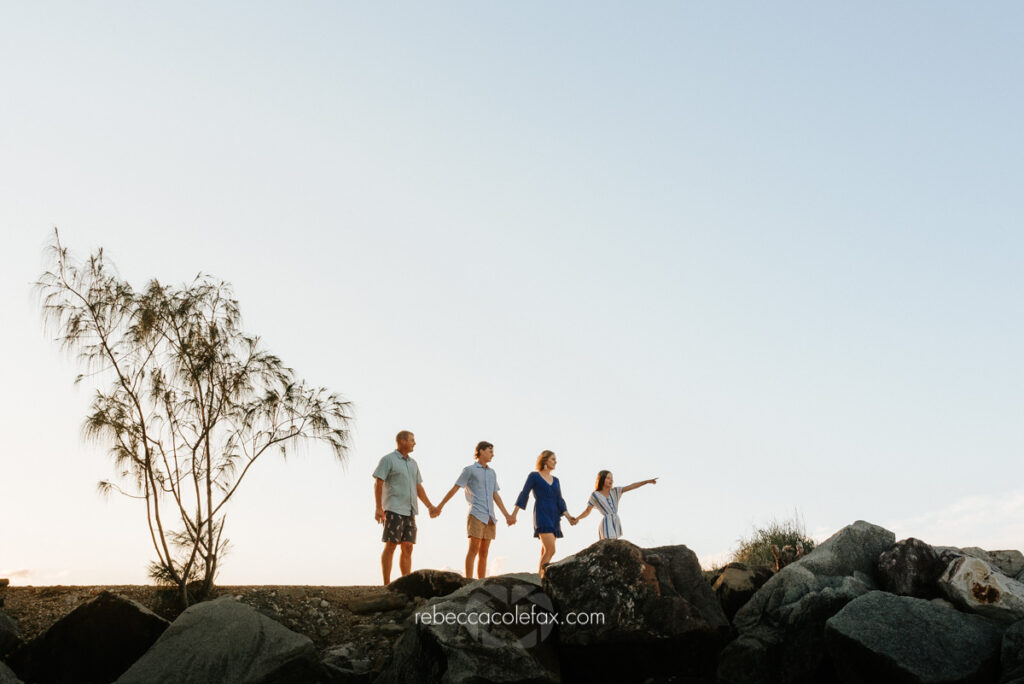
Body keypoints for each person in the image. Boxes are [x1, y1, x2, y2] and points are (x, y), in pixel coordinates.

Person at [435, 441, 515, 578]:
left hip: (490, 516)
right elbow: (454, 489)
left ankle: (481, 582)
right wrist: (439, 506)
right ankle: (469, 581)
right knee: (473, 549)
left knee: (484, 552)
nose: (493, 454)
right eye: (490, 451)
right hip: (476, 514)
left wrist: (507, 514)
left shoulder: (492, 473)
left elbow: (495, 495)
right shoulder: (469, 470)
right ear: (481, 451)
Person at [373, 430, 438, 584]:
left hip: (410, 510)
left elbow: (418, 488)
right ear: (402, 441)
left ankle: (405, 584)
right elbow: (378, 483)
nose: (414, 443)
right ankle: (386, 584)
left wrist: (429, 506)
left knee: (408, 546)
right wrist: (378, 508)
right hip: (394, 508)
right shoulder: (388, 460)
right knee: (391, 544)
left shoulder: (413, 463)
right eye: (411, 440)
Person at [511, 450, 576, 577]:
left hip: (554, 516)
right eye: (553, 459)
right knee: (551, 549)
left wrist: (568, 517)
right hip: (542, 514)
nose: (555, 461)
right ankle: (540, 578)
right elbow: (524, 493)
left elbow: (560, 500)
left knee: (545, 551)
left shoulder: (556, 480)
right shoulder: (534, 476)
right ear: (545, 460)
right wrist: (514, 514)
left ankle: (542, 577)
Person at [573, 470, 657, 540]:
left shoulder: (615, 491)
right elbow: (587, 511)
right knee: (610, 547)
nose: (611, 480)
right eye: (608, 478)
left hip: (615, 521)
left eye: (612, 479)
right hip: (606, 523)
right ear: (602, 479)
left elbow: (631, 486)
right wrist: (578, 518)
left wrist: (646, 482)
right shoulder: (595, 495)